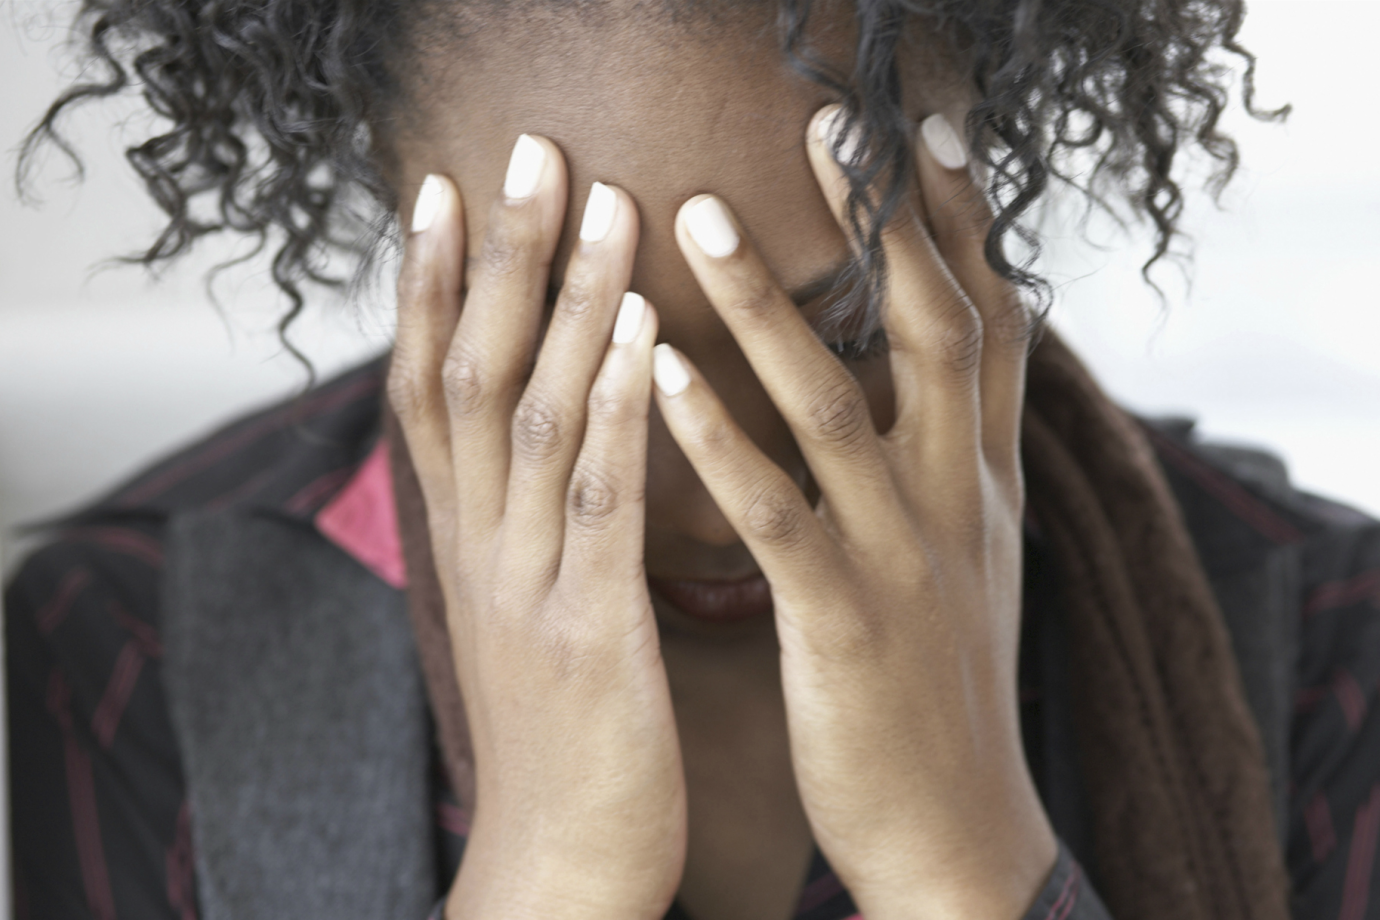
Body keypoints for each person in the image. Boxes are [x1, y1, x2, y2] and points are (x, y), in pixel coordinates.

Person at [8, 1, 1380, 919]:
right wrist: (547, 877)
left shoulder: (1326, 633)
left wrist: (965, 867)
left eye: (840, 335)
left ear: (973, 179)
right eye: (580, 346)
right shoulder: (128, 658)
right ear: (392, 191)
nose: (731, 505)